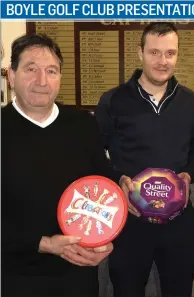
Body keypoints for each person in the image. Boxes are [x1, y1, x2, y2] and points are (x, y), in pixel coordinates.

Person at [95, 22, 194, 297]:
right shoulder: (113, 100)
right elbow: (95, 154)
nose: (162, 61)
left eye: (170, 53)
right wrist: (116, 179)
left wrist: (188, 175)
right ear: (140, 53)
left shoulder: (189, 101)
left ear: (177, 55)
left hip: (178, 223)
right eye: (154, 53)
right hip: (130, 222)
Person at [1, 34, 114, 297]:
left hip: (78, 272)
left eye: (51, 71)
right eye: (31, 69)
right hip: (15, 274)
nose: (42, 81)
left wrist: (107, 239)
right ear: (11, 75)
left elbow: (105, 188)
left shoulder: (83, 125)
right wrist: (43, 243)